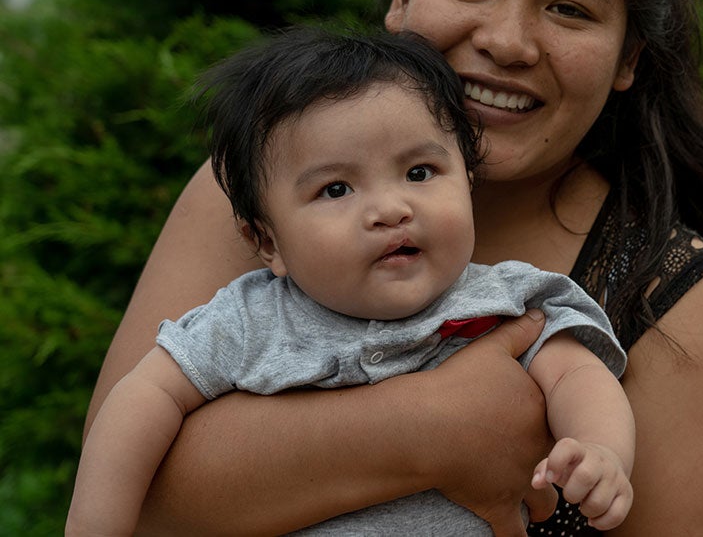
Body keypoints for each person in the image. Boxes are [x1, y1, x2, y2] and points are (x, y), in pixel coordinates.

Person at [82, 0, 703, 534]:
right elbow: (134, 486)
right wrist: (428, 425)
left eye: (568, 8)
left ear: (628, 57)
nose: (506, 41)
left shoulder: (662, 288)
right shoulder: (255, 195)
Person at [67, 29, 635, 536]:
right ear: (267, 242)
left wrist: (601, 450)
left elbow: (576, 374)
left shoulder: (509, 297)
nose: (390, 209)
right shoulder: (249, 320)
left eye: (419, 173)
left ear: (466, 180)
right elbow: (144, 397)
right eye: (336, 189)